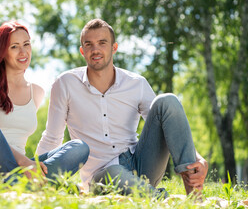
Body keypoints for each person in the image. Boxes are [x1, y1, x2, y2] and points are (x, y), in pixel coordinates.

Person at [36, 18, 208, 196]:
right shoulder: (65, 84)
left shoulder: (136, 83)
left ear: (114, 47)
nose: (95, 49)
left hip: (140, 165)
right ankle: (160, 199)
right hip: (100, 176)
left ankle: (194, 193)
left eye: (102, 43)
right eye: (89, 44)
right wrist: (35, 169)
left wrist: (197, 157)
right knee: (114, 173)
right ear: (82, 51)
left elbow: (170, 123)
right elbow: (52, 137)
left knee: (167, 101)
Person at [0, 21, 89, 185]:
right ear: (3, 52)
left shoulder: (37, 92)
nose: (23, 51)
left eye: (26, 44)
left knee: (79, 147)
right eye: (14, 47)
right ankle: (25, 183)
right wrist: (26, 164)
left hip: (12, 171)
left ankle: (14, 184)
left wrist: (33, 165)